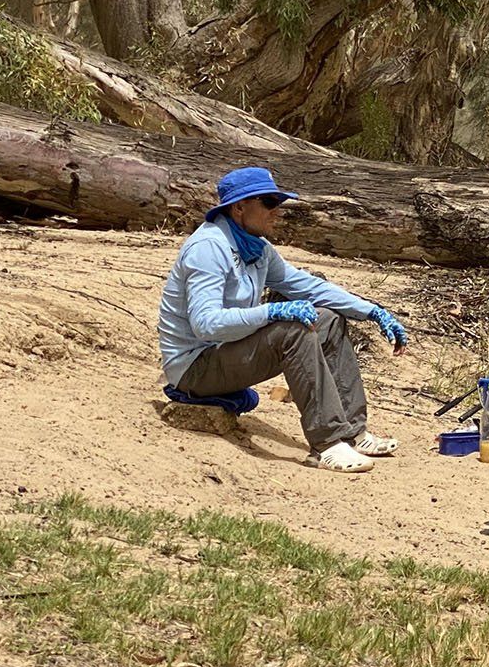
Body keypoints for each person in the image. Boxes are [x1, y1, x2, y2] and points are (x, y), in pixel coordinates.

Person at [158, 166, 411, 474]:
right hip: (195, 368)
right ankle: (327, 445)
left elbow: (307, 286)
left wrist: (371, 310)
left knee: (328, 319)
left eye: (278, 202)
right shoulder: (208, 248)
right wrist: (272, 312)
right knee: (292, 331)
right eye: (268, 202)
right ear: (239, 207)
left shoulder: (257, 248)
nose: (277, 211)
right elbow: (206, 324)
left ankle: (352, 433)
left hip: (229, 353)